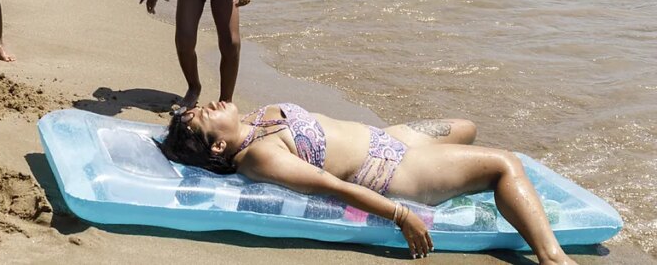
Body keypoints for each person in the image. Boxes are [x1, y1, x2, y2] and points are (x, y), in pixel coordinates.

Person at [162, 102, 578, 264]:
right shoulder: (259, 156)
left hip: (390, 139)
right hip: (394, 171)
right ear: (218, 147)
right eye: (203, 115)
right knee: (503, 164)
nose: (209, 104)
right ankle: (552, 258)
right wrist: (402, 215)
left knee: (468, 124)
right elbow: (331, 186)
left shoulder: (252, 120)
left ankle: (467, 178)